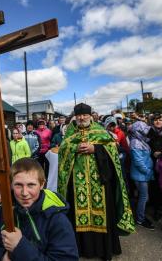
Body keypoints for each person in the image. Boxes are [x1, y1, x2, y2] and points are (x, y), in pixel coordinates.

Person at [58, 103, 134, 260]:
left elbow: (113, 149)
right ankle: (82, 249)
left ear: (90, 115)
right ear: (75, 116)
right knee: (76, 214)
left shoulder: (100, 131)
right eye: (79, 115)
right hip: (76, 184)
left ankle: (104, 250)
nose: (81, 118)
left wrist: (96, 149)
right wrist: (74, 148)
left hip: (100, 181)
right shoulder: (70, 133)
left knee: (103, 214)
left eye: (84, 115)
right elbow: (63, 150)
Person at [0, 158, 79, 261]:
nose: (24, 193)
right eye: (18, 185)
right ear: (11, 185)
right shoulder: (0, 213)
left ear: (42, 184)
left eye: (31, 185)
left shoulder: (56, 220)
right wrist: (2, 257)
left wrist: (19, 246)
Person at [129, 120, 155, 230]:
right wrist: (148, 171)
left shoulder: (140, 140)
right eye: (143, 131)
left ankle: (141, 215)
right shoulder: (135, 142)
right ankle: (140, 218)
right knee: (143, 197)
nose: (145, 133)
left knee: (144, 197)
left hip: (143, 174)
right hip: (140, 175)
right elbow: (138, 161)